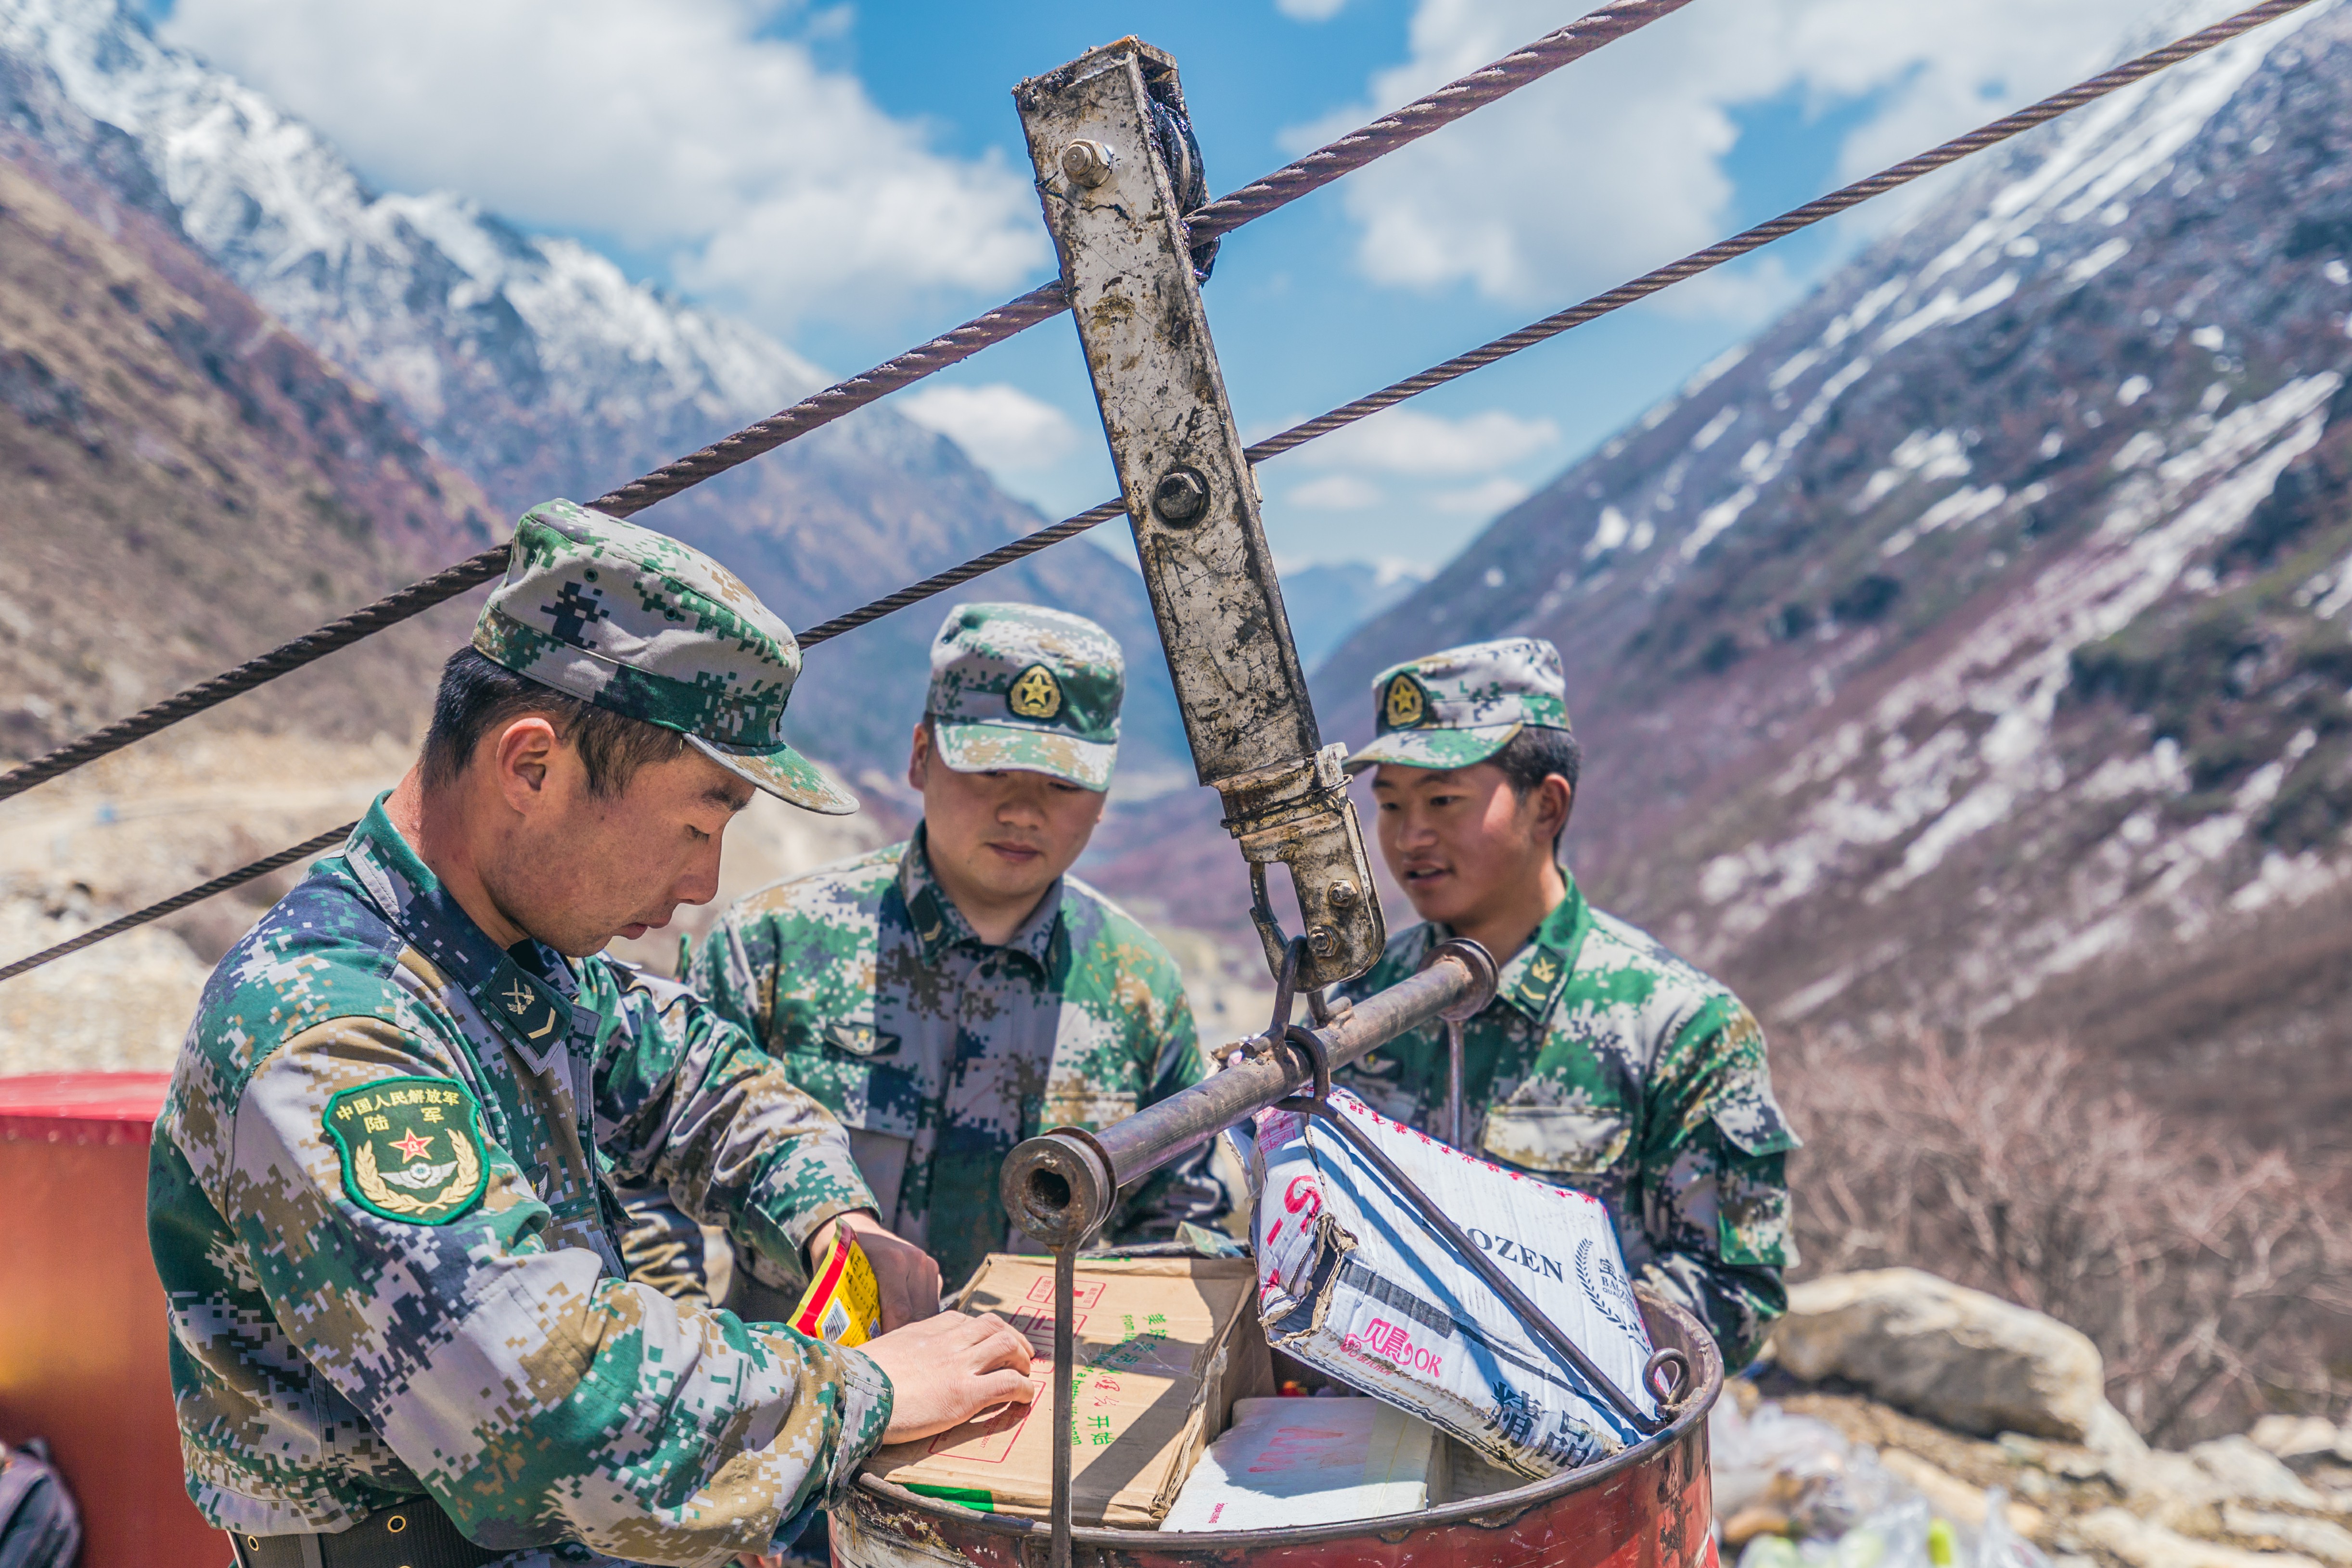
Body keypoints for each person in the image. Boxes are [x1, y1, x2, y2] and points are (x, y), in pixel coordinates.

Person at [147, 500, 1035, 1568]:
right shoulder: (331, 1029)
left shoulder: (509, 956)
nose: (702, 882)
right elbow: (546, 1409)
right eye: (695, 825)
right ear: (532, 767)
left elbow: (702, 1075)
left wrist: (830, 1217)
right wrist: (872, 1389)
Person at [689, 603, 1223, 1296]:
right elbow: (647, 1189)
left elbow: (1178, 1237)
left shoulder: (1140, 988)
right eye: (993, 772)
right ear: (920, 758)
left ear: (1102, 797)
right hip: (806, 1392)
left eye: (1061, 785)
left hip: (1043, 1393)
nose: (1023, 811)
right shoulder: (770, 948)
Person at [1329, 636, 1800, 1369]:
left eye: (1443, 801)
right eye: (1390, 804)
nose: (1409, 835)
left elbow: (1731, 1290)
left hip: (1600, 1454)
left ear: (1546, 807)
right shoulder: (1365, 1006)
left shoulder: (1679, 1027)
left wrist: (1524, 1353)